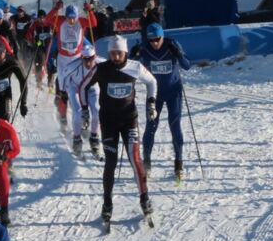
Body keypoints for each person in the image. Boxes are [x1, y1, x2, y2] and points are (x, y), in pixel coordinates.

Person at [79, 35, 157, 224]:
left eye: (119, 53)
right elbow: (82, 87)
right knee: (110, 163)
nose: (115, 57)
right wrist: (84, 110)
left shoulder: (135, 67)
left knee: (135, 158)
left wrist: (151, 103)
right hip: (109, 123)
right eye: (112, 53)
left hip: (129, 120)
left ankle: (144, 198)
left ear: (125, 53)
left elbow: (152, 82)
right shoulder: (101, 68)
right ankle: (107, 204)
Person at [131, 23, 192, 181]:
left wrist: (178, 54)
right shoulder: (145, 47)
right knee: (151, 126)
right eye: (152, 40)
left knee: (175, 125)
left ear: (162, 36)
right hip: (155, 92)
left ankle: (178, 164)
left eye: (157, 39)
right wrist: (133, 56)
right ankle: (147, 163)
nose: (155, 43)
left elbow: (187, 66)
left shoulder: (171, 44)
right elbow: (129, 70)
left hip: (173, 91)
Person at [43, 0, 97, 127]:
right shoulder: (60, 20)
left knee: (79, 86)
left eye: (73, 18)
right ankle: (62, 115)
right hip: (63, 59)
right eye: (69, 18)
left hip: (77, 58)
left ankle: (82, 115)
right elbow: (47, 19)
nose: (71, 21)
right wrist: (56, 9)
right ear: (65, 16)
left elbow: (93, 23)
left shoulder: (82, 22)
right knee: (63, 88)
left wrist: (89, 11)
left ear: (77, 16)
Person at [62, 42, 105, 157]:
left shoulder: (100, 63)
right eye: (85, 59)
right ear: (81, 58)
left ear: (94, 57)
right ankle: (76, 138)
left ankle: (94, 137)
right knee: (78, 112)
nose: (88, 62)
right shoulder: (74, 65)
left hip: (92, 88)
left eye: (91, 58)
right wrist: (63, 91)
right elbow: (63, 75)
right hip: (75, 87)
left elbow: (115, 67)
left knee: (97, 111)